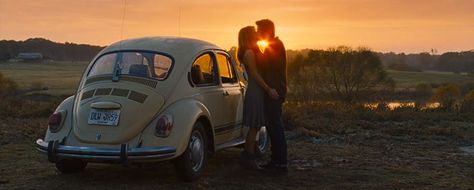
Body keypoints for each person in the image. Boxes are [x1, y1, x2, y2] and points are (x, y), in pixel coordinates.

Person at [237, 26, 279, 170]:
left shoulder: (250, 51)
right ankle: (249, 158)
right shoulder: (249, 53)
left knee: (255, 126)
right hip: (255, 92)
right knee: (254, 127)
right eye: (254, 32)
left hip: (256, 91)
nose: (257, 33)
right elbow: (255, 75)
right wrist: (268, 89)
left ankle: (248, 157)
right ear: (249, 36)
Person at [255, 19, 288, 174]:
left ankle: (280, 164)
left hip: (274, 92)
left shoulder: (274, 46)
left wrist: (254, 46)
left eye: (259, 30)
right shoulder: (274, 45)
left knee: (275, 127)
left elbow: (264, 65)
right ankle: (276, 161)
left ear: (266, 31)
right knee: (273, 127)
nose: (257, 32)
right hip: (274, 91)